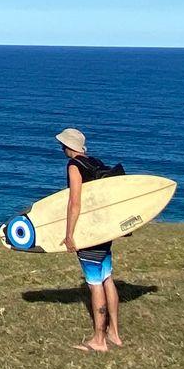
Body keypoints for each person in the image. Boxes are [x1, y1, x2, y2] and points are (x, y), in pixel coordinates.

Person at [57, 127, 124, 353]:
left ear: (70, 147)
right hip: (104, 229)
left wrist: (69, 235)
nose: (62, 148)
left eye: (63, 144)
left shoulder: (74, 166)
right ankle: (114, 333)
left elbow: (75, 202)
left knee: (95, 284)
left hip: (90, 231)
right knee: (107, 277)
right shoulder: (96, 162)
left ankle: (99, 340)